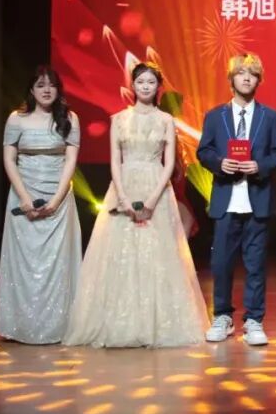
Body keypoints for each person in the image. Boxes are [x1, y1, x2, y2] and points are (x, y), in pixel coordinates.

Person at [63, 62, 209, 347]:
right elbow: (115, 162)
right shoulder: (119, 119)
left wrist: (152, 199)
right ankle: (121, 322)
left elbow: (169, 163)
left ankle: (156, 324)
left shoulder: (166, 120)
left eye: (151, 82)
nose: (145, 86)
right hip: (124, 185)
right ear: (132, 85)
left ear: (158, 87)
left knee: (159, 255)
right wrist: (122, 196)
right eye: (140, 81)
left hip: (158, 187)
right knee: (120, 253)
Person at [197, 53, 276, 346]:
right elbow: (204, 151)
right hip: (226, 200)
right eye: (241, 73)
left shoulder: (270, 116)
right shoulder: (215, 116)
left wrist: (259, 166)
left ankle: (254, 320)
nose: (247, 78)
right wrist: (219, 163)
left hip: (257, 199)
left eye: (252, 74)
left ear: (259, 80)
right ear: (231, 79)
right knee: (221, 263)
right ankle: (222, 317)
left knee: (255, 265)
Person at [0, 66, 82, 344]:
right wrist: (24, 197)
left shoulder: (70, 119)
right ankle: (22, 326)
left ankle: (58, 327)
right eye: (40, 85)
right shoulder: (16, 119)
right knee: (25, 265)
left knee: (57, 264)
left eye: (51, 85)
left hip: (59, 199)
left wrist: (56, 200)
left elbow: (70, 161)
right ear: (31, 90)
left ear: (58, 90)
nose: (46, 90)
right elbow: (9, 159)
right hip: (23, 197)